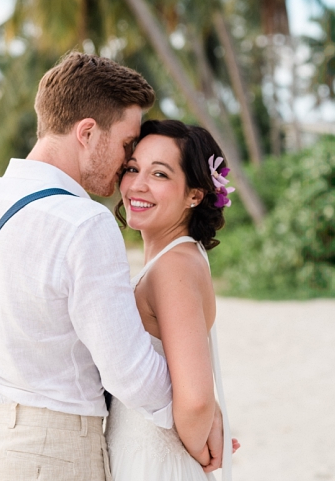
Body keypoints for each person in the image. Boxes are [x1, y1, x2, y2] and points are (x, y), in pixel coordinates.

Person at [0, 52, 227, 481]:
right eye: (127, 145)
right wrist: (198, 413)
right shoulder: (84, 223)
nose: (127, 162)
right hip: (53, 452)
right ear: (87, 132)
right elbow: (128, 370)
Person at [105, 119, 238, 480]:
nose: (137, 185)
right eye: (132, 169)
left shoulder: (173, 268)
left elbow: (196, 398)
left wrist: (199, 449)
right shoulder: (179, 257)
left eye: (160, 175)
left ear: (195, 194)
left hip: (154, 463)